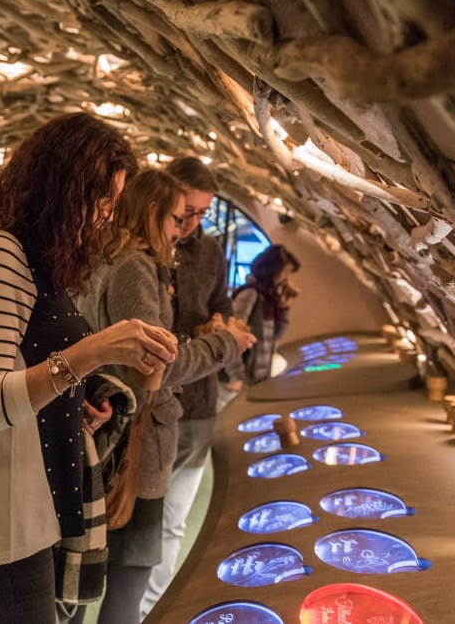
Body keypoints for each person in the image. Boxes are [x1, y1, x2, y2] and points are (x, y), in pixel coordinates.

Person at [0, 113, 179, 624]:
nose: (107, 216)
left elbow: (28, 375)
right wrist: (94, 350)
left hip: (32, 497)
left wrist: (73, 409)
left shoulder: (30, 257)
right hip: (4, 511)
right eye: (102, 200)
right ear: (62, 187)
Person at [75, 170, 256, 624]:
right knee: (130, 574)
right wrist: (225, 343)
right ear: (154, 212)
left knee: (82, 577)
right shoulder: (135, 266)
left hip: (109, 430)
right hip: (134, 437)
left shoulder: (106, 259)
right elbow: (156, 364)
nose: (182, 227)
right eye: (179, 216)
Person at [140, 157, 246, 618]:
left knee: (172, 522)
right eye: (185, 211)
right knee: (135, 525)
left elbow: (221, 304)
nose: (191, 222)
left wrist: (219, 327)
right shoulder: (140, 253)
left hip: (197, 401)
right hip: (147, 409)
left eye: (201, 213)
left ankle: (149, 612)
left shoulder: (212, 252)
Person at [232, 244, 301, 383]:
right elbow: (232, 335)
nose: (285, 278)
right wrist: (237, 376)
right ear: (272, 270)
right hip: (245, 377)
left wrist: (284, 309)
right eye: (284, 272)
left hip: (260, 375)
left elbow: (275, 335)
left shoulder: (269, 299)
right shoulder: (251, 294)